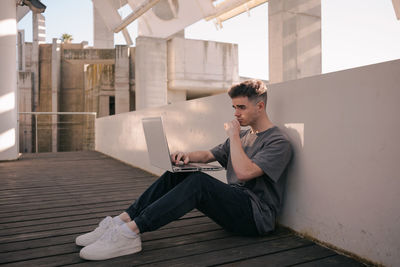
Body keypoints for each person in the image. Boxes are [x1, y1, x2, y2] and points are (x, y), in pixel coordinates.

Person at [76, 79, 292, 261]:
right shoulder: (244, 136)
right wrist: (186, 157)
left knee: (200, 182)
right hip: (235, 208)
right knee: (181, 172)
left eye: (241, 107)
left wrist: (233, 136)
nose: (235, 113)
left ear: (260, 106)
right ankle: (122, 220)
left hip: (256, 218)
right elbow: (208, 155)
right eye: (234, 107)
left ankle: (129, 234)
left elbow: (245, 172)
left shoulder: (277, 141)